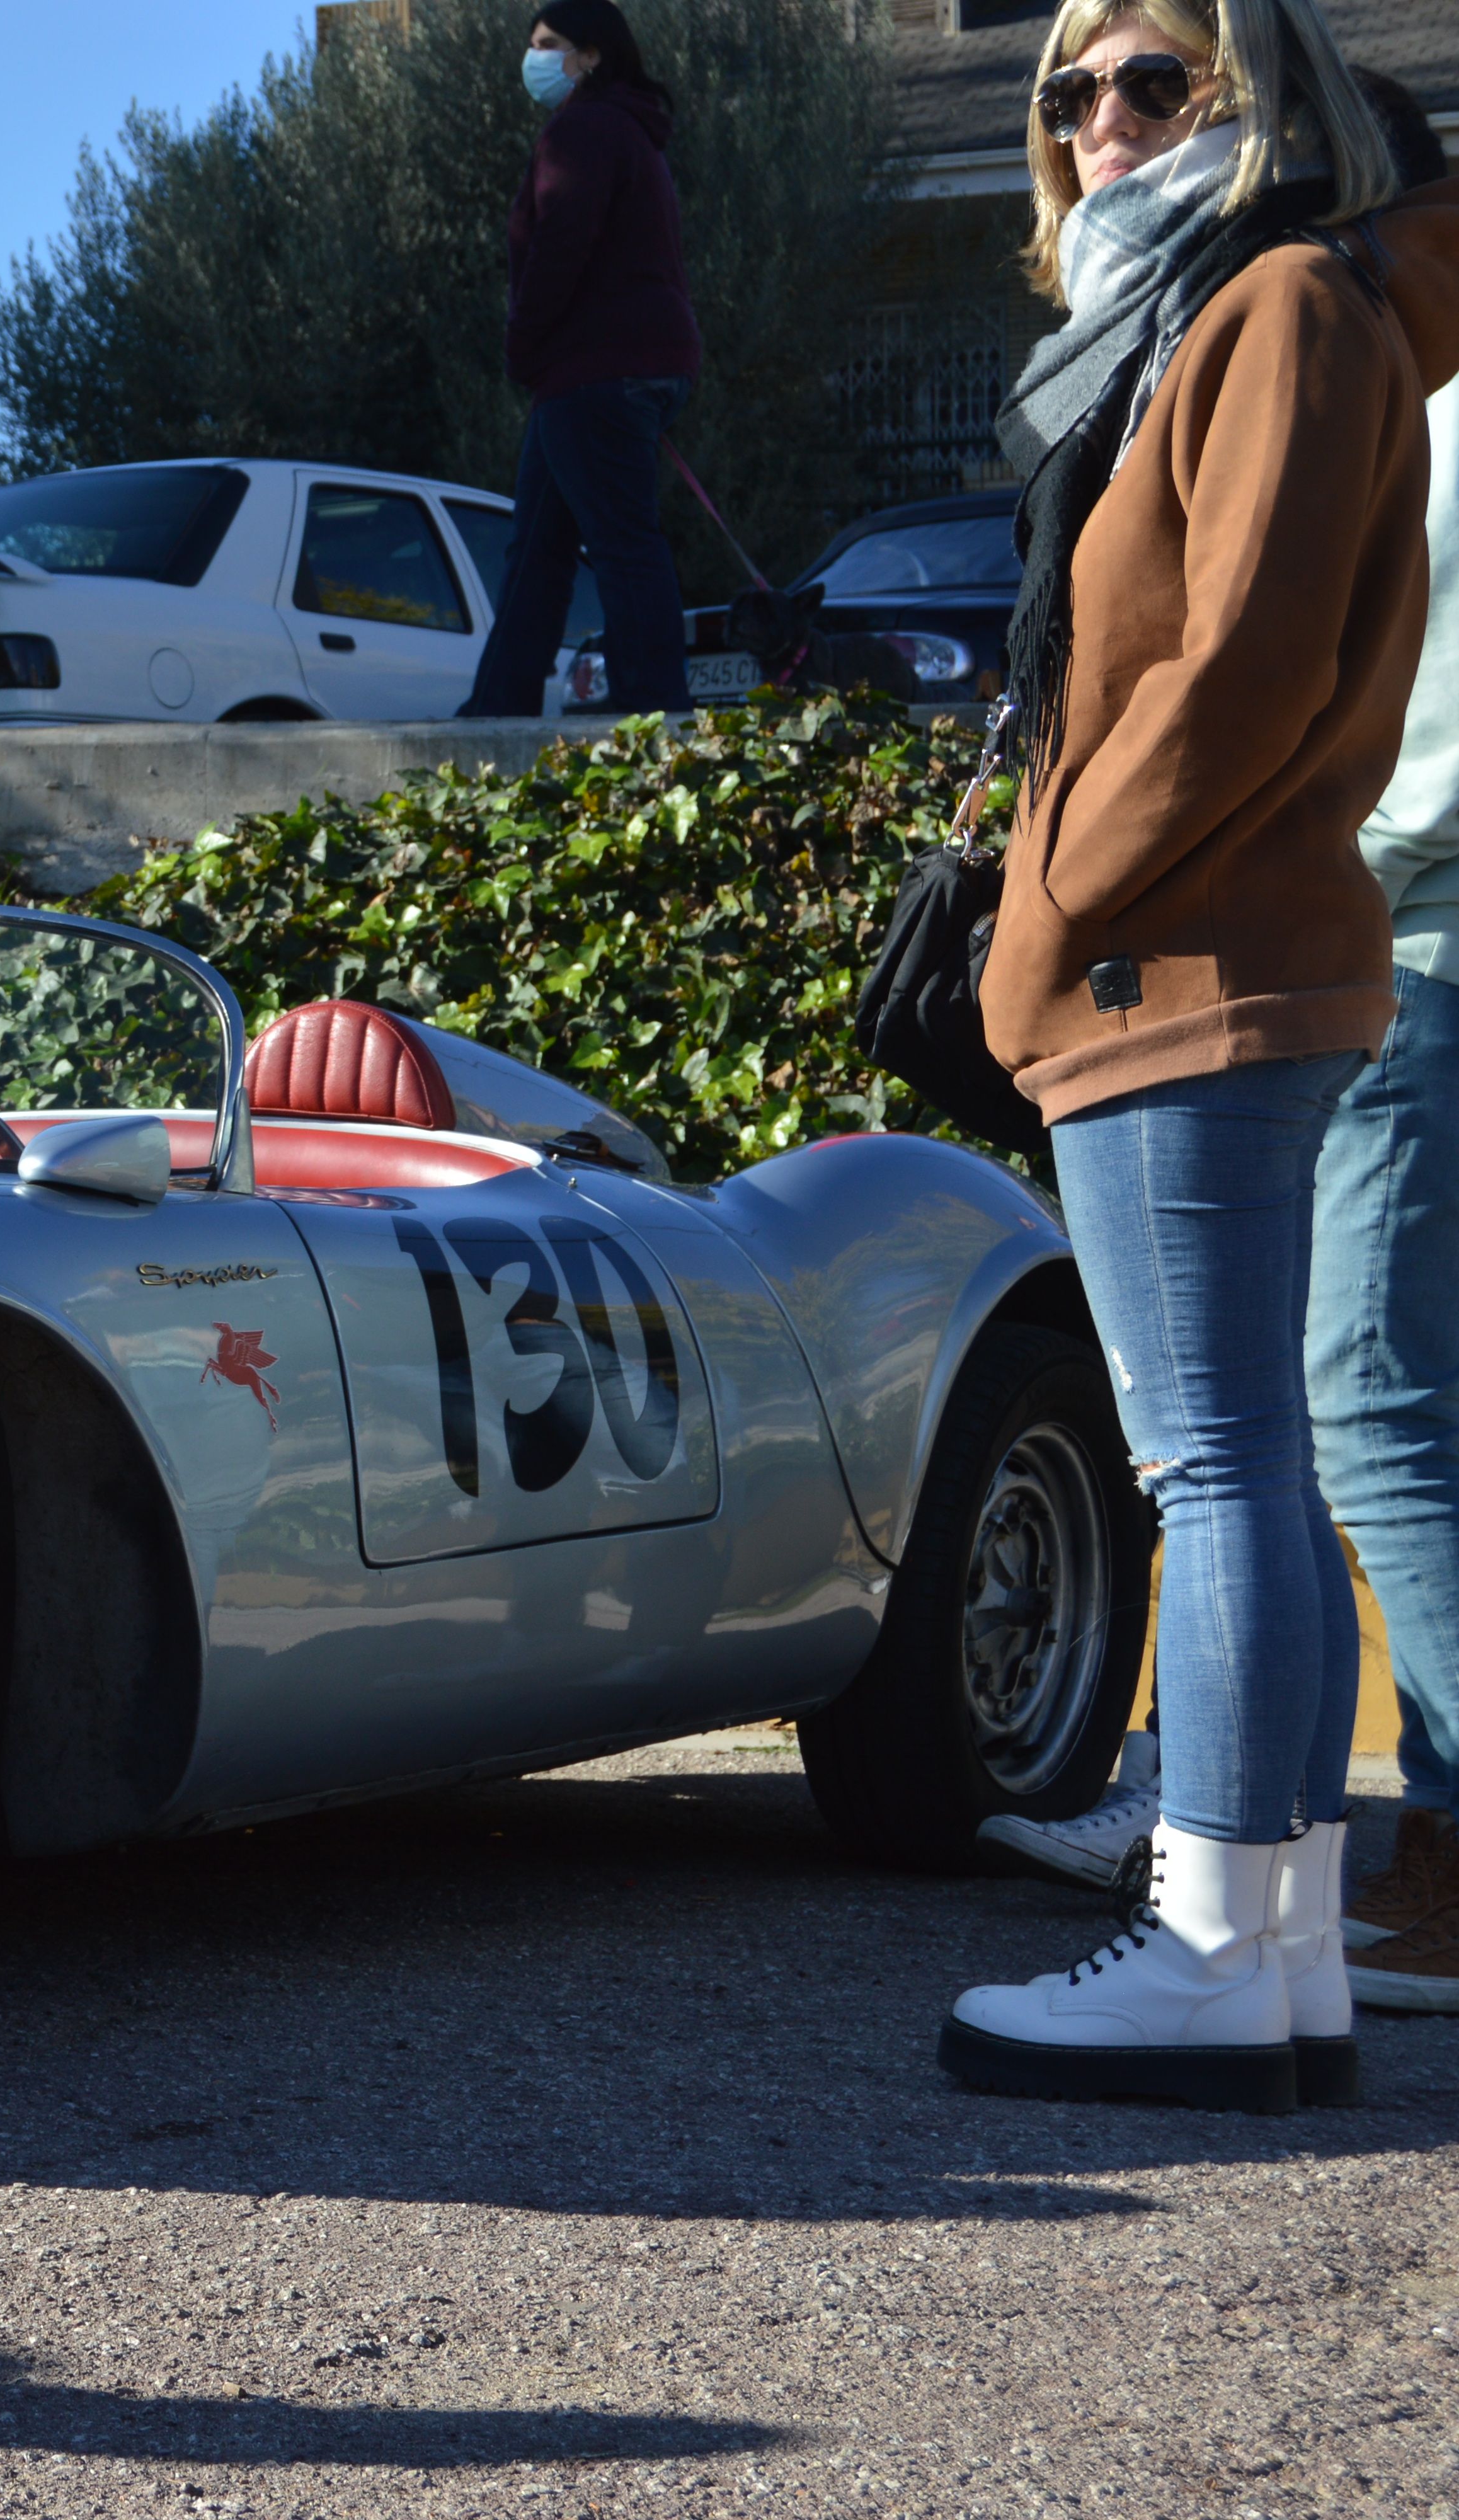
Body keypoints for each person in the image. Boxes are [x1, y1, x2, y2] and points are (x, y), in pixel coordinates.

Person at [939, 0, 1450, 2115]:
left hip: (1186, 965)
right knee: (1250, 1450)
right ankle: (1276, 1949)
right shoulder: (1219, 319)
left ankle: (1221, 1949)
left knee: (1218, 1457)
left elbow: (1234, 671)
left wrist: (1047, 899)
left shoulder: (1267, 306)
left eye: (1146, 73)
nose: (1092, 118)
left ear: (1257, 96)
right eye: (1061, 89)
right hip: (1213, 954)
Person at [1320, 74, 1459, 2016]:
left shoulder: (1423, 433)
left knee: (1359, 1388)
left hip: (1405, 943)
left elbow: (1410, 777)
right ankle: (1418, 1840)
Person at [455, 0, 702, 721]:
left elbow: (559, 245)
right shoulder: (630, 133)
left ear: (591, 54)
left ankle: (654, 707)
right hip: (618, 367)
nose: (534, 57)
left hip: (593, 369)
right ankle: (497, 706)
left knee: (617, 546)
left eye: (550, 44)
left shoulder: (584, 132)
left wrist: (521, 345)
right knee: (538, 548)